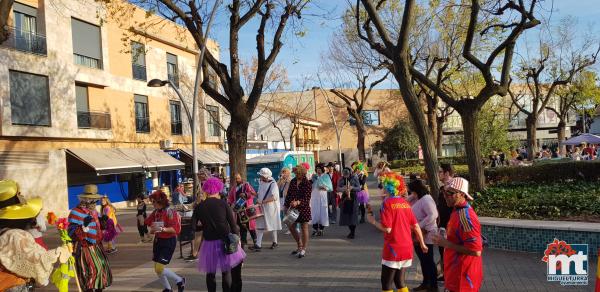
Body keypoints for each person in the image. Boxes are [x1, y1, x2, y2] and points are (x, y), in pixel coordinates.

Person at [0, 180, 71, 291]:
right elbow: (36, 261)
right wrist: (58, 252)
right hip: (12, 286)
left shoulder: (4, 232)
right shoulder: (15, 235)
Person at [366, 172, 428, 292]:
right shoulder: (405, 203)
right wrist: (422, 243)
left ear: (389, 187)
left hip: (393, 248)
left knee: (386, 284)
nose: (382, 187)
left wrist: (373, 221)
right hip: (407, 247)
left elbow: (387, 228)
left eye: (384, 184)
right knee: (400, 282)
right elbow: (415, 226)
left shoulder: (387, 203)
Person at [433, 177, 483, 292]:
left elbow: (476, 251)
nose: (445, 196)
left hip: (463, 278)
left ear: (461, 194)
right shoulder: (456, 210)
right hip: (456, 274)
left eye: (449, 193)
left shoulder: (465, 217)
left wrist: (446, 243)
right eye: (444, 192)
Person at [195, 178, 246, 292]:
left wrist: (205, 226)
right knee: (226, 271)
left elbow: (193, 228)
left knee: (210, 273)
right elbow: (233, 225)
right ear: (218, 190)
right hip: (224, 241)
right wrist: (238, 240)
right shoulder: (223, 204)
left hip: (208, 243)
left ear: (206, 191)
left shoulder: (199, 207)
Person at [68, 184, 112, 291]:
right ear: (85, 199)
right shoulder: (76, 212)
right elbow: (71, 232)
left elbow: (96, 227)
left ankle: (98, 289)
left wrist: (102, 222)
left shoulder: (94, 211)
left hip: (96, 246)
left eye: (95, 200)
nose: (94, 203)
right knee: (91, 271)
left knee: (102, 268)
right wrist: (84, 226)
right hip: (84, 247)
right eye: (91, 200)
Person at [145, 190, 185, 292]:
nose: (152, 204)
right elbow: (148, 222)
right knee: (157, 268)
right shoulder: (156, 212)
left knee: (159, 268)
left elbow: (175, 230)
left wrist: (162, 229)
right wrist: (146, 223)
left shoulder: (170, 212)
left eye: (154, 202)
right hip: (158, 241)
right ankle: (167, 288)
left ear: (160, 202)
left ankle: (179, 280)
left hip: (168, 241)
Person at [408, 180, 439, 292]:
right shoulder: (417, 198)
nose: (411, 193)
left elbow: (433, 215)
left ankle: (433, 285)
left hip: (427, 232)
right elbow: (405, 203)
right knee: (423, 260)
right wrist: (411, 196)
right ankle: (426, 282)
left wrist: (419, 226)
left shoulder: (426, 199)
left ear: (417, 190)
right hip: (417, 233)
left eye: (412, 191)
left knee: (428, 260)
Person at [284, 165, 313, 258]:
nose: (295, 174)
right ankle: (299, 245)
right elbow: (289, 195)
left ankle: (303, 249)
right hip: (293, 208)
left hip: (303, 208)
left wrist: (298, 202)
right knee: (290, 225)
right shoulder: (293, 181)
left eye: (297, 173)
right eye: (295, 173)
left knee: (304, 228)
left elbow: (307, 198)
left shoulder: (307, 183)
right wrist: (286, 205)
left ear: (302, 173)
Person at [227, 173, 258, 250]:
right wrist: (229, 204)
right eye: (236, 179)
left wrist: (245, 194)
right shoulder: (234, 188)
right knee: (242, 227)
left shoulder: (246, 185)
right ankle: (243, 245)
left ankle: (256, 243)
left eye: (238, 178)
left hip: (247, 209)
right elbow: (230, 198)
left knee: (250, 227)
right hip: (239, 211)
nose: (237, 180)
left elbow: (253, 194)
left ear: (241, 178)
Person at [254, 168, 282, 251]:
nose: (260, 176)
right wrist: (253, 194)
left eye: (261, 175)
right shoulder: (262, 182)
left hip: (271, 207)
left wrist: (263, 201)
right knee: (260, 224)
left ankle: (275, 242)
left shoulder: (273, 184)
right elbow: (259, 194)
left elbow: (274, 197)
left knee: (272, 224)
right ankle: (258, 244)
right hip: (261, 207)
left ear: (265, 176)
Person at [436, 163, 454, 282]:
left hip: (450, 225)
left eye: (440, 172)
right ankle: (445, 274)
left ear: (447, 173)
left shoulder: (453, 187)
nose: (438, 174)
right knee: (442, 251)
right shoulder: (443, 188)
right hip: (443, 225)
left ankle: (450, 275)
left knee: (448, 252)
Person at [337, 167, 362, 239]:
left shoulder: (354, 178)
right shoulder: (341, 179)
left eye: (347, 174)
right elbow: (338, 188)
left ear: (350, 173)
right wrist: (343, 189)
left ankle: (353, 232)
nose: (346, 176)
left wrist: (352, 187)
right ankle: (351, 230)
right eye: (344, 174)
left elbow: (359, 188)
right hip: (345, 198)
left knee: (353, 215)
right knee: (346, 215)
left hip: (353, 198)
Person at [310, 163, 333, 236]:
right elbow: (311, 185)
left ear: (322, 169)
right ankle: (315, 228)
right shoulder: (314, 176)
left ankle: (321, 229)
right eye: (317, 169)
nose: (318, 170)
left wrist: (324, 187)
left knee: (323, 212)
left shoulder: (326, 176)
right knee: (314, 212)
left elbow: (330, 188)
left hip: (322, 195)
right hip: (314, 196)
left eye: (319, 169)